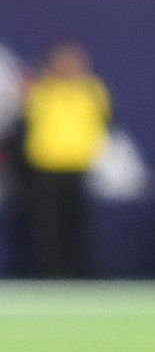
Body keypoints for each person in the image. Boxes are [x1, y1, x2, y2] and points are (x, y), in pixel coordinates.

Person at [18, 42, 112, 278]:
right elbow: (26, 114)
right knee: (47, 226)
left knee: (77, 224)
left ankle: (77, 274)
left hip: (78, 166)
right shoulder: (42, 89)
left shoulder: (92, 90)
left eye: (73, 61)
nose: (68, 66)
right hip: (46, 167)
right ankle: (49, 274)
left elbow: (106, 121)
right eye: (63, 61)